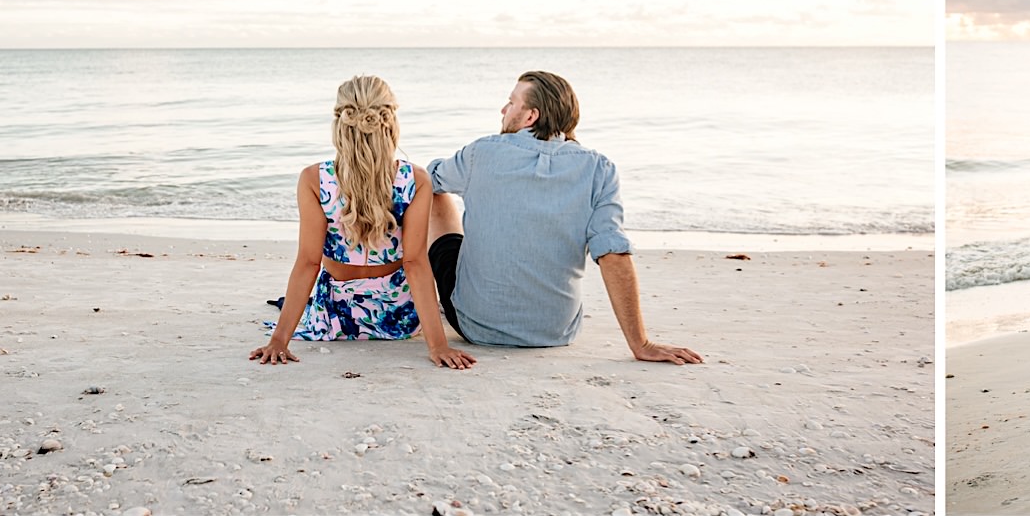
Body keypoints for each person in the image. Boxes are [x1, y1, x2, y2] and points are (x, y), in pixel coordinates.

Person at [423, 70, 702, 365]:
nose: (503, 110)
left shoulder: (482, 152)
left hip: (475, 326)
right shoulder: (599, 169)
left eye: (510, 103)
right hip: (556, 331)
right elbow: (612, 254)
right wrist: (641, 344)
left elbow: (430, 180)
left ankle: (414, 304)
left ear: (531, 116)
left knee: (434, 195)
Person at [250, 75, 477, 370]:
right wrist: (438, 345)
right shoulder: (415, 180)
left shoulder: (314, 180)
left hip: (333, 317)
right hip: (397, 319)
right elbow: (415, 263)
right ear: (391, 122)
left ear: (339, 124)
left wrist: (279, 340)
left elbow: (308, 263)